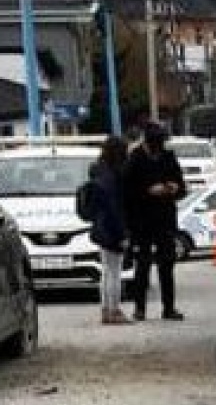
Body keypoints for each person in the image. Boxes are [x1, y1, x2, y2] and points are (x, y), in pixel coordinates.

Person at [123, 122, 187, 321]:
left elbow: (182, 186)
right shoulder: (135, 160)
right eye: (154, 146)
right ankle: (139, 308)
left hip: (165, 218)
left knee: (167, 264)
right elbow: (127, 192)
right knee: (142, 264)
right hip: (142, 220)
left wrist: (174, 188)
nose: (157, 150)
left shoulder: (168, 158)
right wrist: (148, 191)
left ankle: (169, 307)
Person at [89, 136, 132, 325]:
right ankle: (115, 310)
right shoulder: (114, 175)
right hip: (113, 227)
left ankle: (105, 309)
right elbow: (115, 206)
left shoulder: (97, 170)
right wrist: (123, 232)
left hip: (100, 224)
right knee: (115, 271)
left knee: (105, 270)